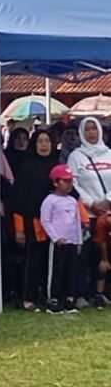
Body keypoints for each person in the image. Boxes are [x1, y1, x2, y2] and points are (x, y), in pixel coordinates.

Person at [67, 116, 111, 308]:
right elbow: (73, 183)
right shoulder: (76, 156)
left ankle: (102, 293)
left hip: (108, 214)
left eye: (94, 129)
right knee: (84, 256)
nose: (91, 133)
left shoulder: (109, 153)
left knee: (106, 255)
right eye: (87, 129)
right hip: (87, 215)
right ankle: (82, 294)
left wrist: (107, 201)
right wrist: (92, 203)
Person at [12, 130, 59, 312]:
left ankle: (50, 296)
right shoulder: (27, 167)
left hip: (56, 222)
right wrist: (19, 229)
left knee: (52, 260)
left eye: (47, 141)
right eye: (40, 141)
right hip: (34, 222)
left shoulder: (56, 165)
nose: (44, 145)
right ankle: (28, 298)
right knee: (33, 260)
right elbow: (18, 201)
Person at [41, 164, 86, 314]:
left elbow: (77, 221)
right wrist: (56, 238)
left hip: (72, 241)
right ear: (55, 182)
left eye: (70, 181)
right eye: (65, 181)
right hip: (59, 242)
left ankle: (69, 298)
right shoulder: (50, 200)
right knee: (56, 270)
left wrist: (79, 240)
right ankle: (53, 298)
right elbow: (45, 221)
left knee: (70, 270)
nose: (69, 184)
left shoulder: (73, 201)